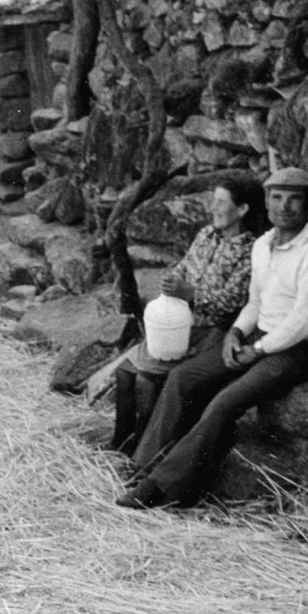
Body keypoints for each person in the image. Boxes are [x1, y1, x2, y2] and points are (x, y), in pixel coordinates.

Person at [119, 167, 308, 510]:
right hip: (260, 337)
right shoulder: (264, 245)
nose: (284, 206)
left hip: (302, 349)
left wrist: (257, 349)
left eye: (294, 199)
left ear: (307, 204)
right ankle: (142, 466)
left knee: (224, 403)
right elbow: (255, 303)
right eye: (277, 198)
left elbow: (305, 320)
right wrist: (236, 333)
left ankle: (161, 488)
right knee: (183, 378)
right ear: (266, 202)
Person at [110, 176, 264, 456]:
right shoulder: (206, 235)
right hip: (180, 326)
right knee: (124, 372)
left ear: (242, 210)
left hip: (212, 333)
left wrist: (192, 294)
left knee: (146, 382)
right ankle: (119, 448)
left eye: (220, 202)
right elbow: (182, 268)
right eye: (213, 200)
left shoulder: (250, 251)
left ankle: (143, 453)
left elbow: (231, 304)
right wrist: (171, 281)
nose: (213, 207)